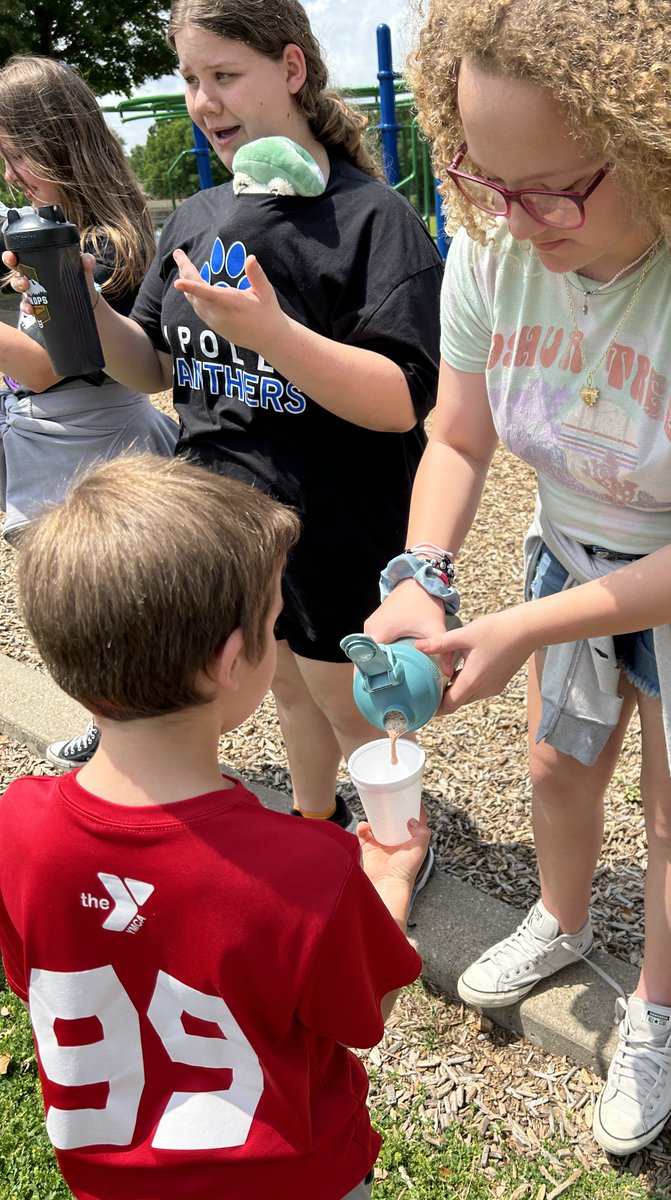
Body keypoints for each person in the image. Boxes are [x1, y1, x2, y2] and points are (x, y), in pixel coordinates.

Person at [365, 0, 671, 1157]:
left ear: (670, 148)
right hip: (574, 547)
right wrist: (422, 573)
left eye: (552, 190)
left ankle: (658, 1006)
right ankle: (563, 918)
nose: (514, 222)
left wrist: (525, 624)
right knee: (555, 758)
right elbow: (458, 438)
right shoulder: (491, 243)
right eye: (485, 178)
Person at [3, 4, 443, 862]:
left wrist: (274, 335)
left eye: (225, 76)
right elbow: (156, 366)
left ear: (290, 68)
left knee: (347, 702)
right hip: (227, 519)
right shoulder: (198, 216)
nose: (205, 102)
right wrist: (87, 305)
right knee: (282, 688)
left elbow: (400, 399)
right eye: (192, 81)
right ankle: (316, 822)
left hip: (336, 520)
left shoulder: (370, 222)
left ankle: (398, 853)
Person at [0, 453, 430, 1200]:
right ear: (234, 661)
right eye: (273, 622)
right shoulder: (309, 870)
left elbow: (36, 974)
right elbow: (364, 1012)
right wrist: (389, 882)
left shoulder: (15, 828)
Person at [0, 56, 178, 766]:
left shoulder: (85, 245)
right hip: (74, 439)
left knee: (89, 610)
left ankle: (139, 744)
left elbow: (48, 364)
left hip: (81, 452)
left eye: (19, 156)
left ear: (58, 142)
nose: (12, 173)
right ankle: (117, 731)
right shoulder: (89, 226)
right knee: (91, 611)